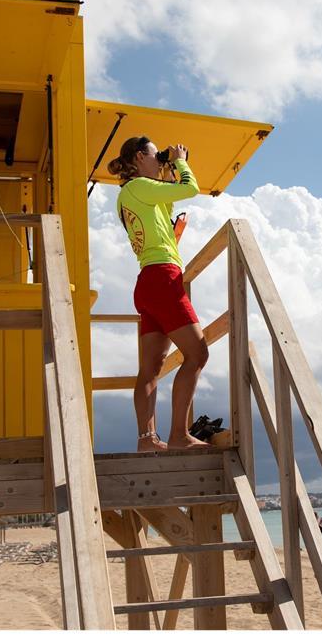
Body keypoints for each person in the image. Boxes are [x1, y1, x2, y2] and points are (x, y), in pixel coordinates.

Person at [108, 136, 210, 452]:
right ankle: (179, 436)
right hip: (163, 278)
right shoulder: (138, 188)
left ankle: (147, 440)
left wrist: (164, 167)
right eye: (156, 155)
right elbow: (190, 189)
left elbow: (168, 203)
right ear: (140, 157)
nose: (161, 158)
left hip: (147, 282)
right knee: (198, 354)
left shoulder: (130, 194)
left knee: (150, 369)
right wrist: (180, 161)